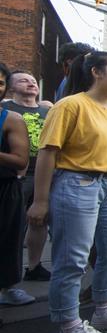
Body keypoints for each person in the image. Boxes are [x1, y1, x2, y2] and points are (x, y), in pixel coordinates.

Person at [28, 52, 107, 333]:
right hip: (76, 184)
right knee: (72, 259)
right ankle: (69, 327)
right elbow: (47, 153)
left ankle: (104, 310)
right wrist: (40, 201)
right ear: (96, 72)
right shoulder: (70, 106)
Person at [3, 71, 52, 281]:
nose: (31, 83)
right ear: (10, 87)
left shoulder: (48, 110)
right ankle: (9, 276)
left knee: (40, 222)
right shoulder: (6, 110)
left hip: (45, 172)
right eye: (24, 80)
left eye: (33, 81)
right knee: (13, 224)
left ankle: (34, 266)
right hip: (16, 174)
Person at [0, 63, 32, 307]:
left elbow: (20, 160)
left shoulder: (10, 118)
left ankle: (9, 286)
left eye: (0, 82)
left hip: (6, 187)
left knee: (9, 240)